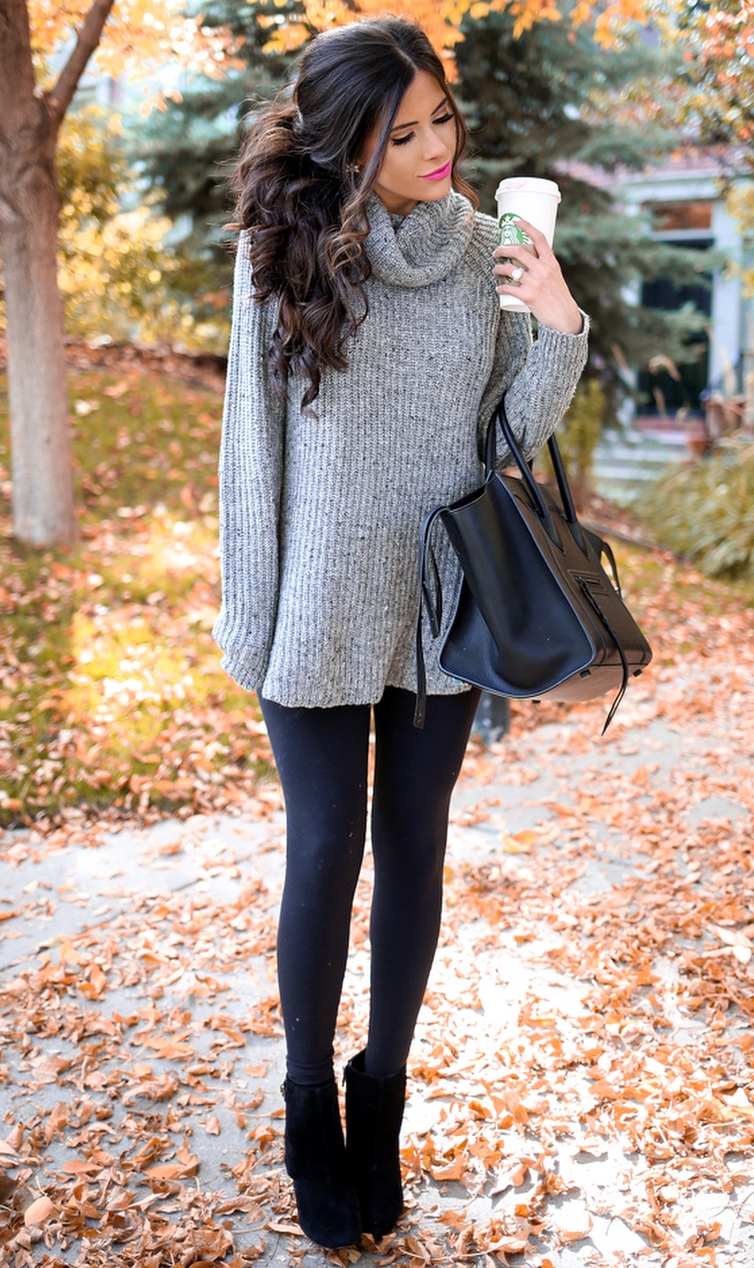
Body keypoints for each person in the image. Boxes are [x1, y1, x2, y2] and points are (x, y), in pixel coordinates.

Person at [213, 15, 588, 1251]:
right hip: (315, 601)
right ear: (346, 143)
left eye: (442, 118)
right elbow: (249, 444)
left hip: (439, 602)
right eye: (402, 131)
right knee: (324, 850)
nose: (434, 145)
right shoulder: (285, 246)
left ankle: (382, 1092)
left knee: (412, 851)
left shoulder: (486, 246)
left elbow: (506, 439)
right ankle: (308, 1100)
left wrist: (557, 320)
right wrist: (252, 618)